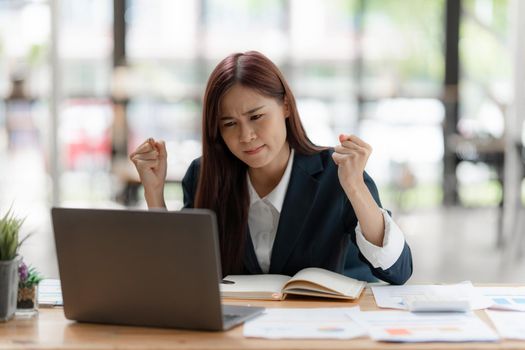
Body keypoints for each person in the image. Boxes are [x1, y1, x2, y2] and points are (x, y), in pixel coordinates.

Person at [130, 51, 412, 284]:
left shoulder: (336, 172)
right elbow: (178, 275)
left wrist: (354, 187)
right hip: (239, 333)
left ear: (286, 106)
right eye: (229, 123)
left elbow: (398, 270)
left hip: (327, 329)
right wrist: (154, 195)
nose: (246, 136)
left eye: (256, 117)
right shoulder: (205, 176)